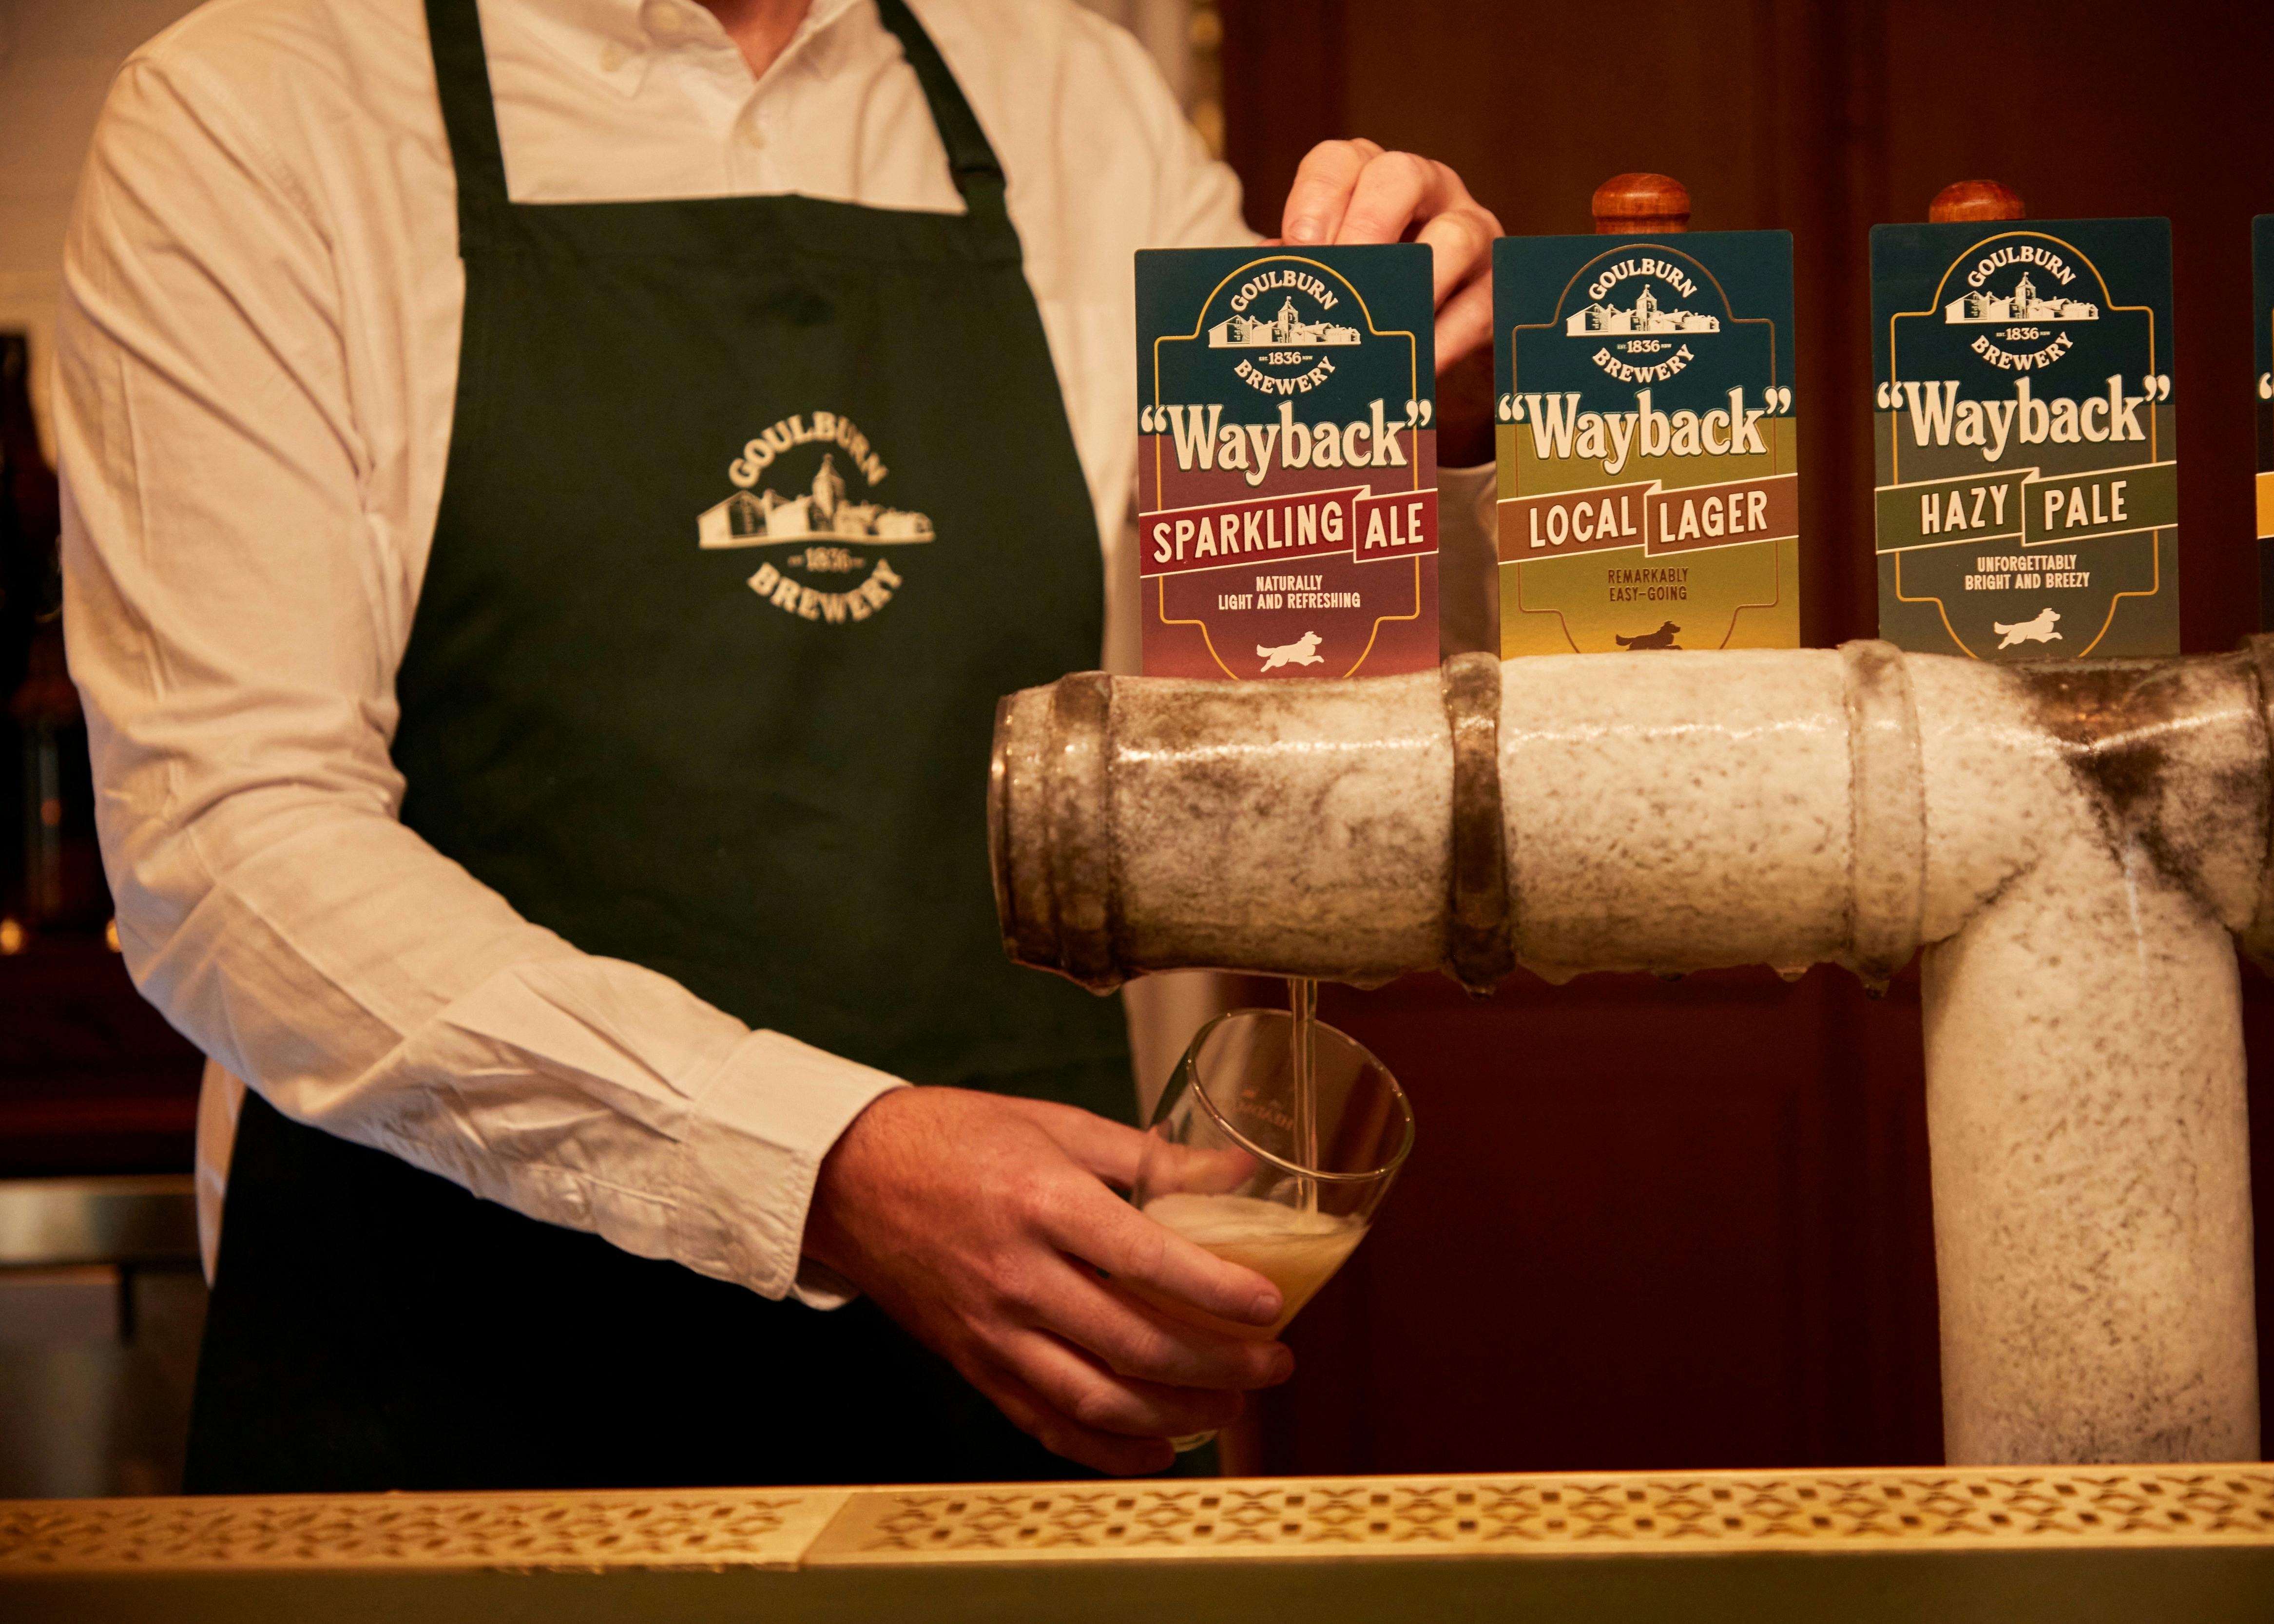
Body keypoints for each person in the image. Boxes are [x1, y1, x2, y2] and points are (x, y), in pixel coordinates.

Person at [58, 0, 1500, 1492]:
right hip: (453, 1435)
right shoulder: (254, 113)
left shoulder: (1073, 98)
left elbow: (1297, 725)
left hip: (1003, 1423)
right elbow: (229, 851)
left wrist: (1425, 434)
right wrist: (826, 1163)